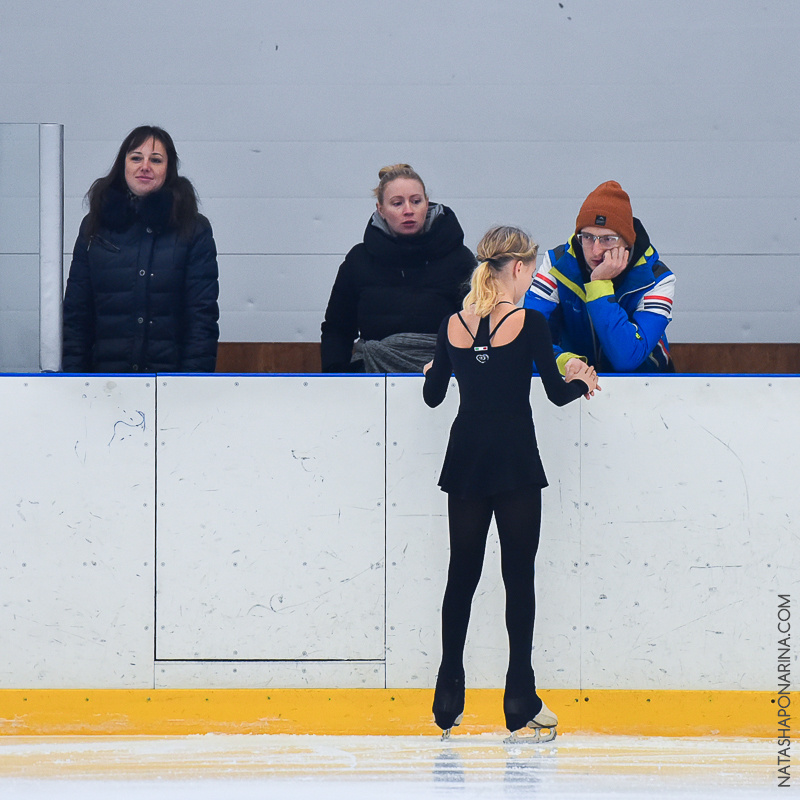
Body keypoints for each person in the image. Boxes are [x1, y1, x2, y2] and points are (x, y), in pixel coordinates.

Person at [422, 226, 599, 740]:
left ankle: (447, 692)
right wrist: (582, 380)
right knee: (517, 576)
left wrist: (443, 365)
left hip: (467, 461)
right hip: (516, 461)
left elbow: (433, 397)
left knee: (462, 574)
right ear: (518, 269)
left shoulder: (453, 323)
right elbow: (555, 395)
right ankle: (519, 693)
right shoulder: (530, 323)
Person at [62, 125, 219, 373]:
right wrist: (74, 380)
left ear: (168, 170)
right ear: (122, 164)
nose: (145, 166)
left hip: (170, 385)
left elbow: (202, 318)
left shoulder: (193, 230)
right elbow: (76, 313)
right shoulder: (95, 226)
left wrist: (193, 385)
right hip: (105, 384)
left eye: (155, 160)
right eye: (136, 157)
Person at [320, 164, 476, 373]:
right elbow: (337, 328)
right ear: (380, 209)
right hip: (371, 376)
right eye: (397, 203)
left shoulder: (459, 259)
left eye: (416, 201)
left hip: (444, 375)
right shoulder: (358, 260)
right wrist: (336, 378)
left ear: (427, 204)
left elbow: (479, 323)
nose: (408, 210)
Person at [524, 180, 675, 377]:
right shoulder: (556, 266)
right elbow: (526, 340)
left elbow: (627, 358)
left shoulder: (658, 279)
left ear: (627, 242)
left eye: (607, 239)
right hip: (574, 384)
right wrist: (564, 362)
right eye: (587, 237)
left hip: (645, 390)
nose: (596, 250)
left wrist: (599, 285)